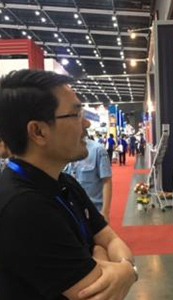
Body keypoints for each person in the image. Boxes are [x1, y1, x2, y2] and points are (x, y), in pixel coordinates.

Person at [0, 69, 138, 300]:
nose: (85, 124)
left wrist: (121, 267)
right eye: (75, 115)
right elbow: (94, 294)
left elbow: (110, 238)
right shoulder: (22, 207)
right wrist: (121, 266)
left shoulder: (65, 182)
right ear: (38, 131)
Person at [65, 137, 112, 222]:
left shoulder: (98, 150)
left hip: (94, 209)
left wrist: (105, 212)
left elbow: (107, 181)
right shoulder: (62, 150)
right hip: (72, 211)